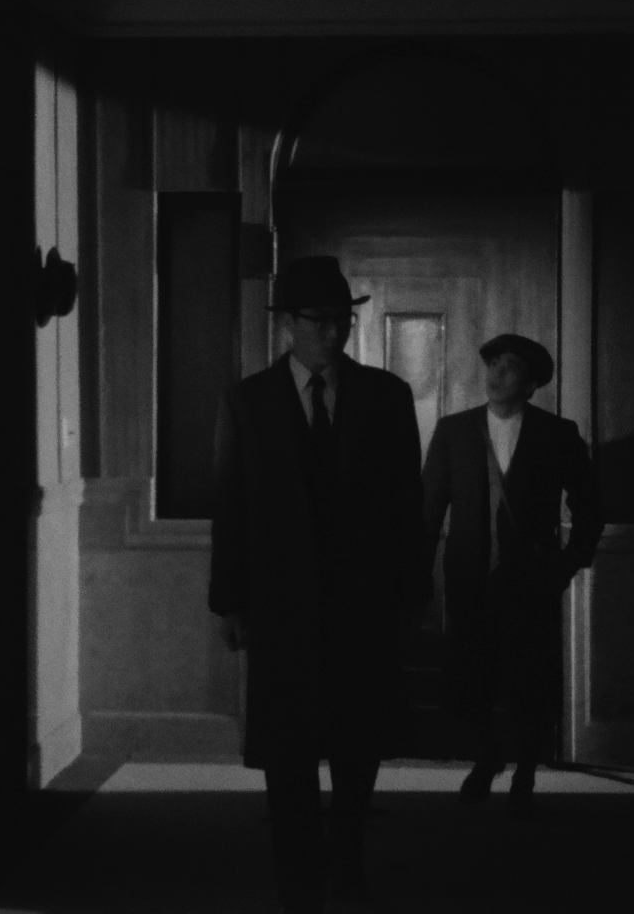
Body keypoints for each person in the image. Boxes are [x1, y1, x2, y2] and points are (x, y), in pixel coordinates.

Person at [210, 255, 432, 914]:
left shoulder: (386, 396)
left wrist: (412, 593)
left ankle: (347, 859)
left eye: (341, 320)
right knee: (288, 750)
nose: (332, 333)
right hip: (281, 604)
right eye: (317, 321)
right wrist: (230, 602)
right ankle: (299, 880)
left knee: (358, 742)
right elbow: (232, 508)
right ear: (288, 324)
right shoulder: (248, 401)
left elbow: (407, 504)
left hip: (364, 601)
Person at [420, 334, 603, 816]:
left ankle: (525, 770)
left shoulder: (556, 433)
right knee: (469, 676)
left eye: (510, 367)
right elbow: (428, 509)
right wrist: (418, 574)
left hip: (532, 580)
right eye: (493, 364)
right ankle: (488, 755)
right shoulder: (454, 430)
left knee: (531, 680)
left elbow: (590, 501)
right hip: (470, 577)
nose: (497, 374)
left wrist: (570, 559)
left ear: (531, 383)